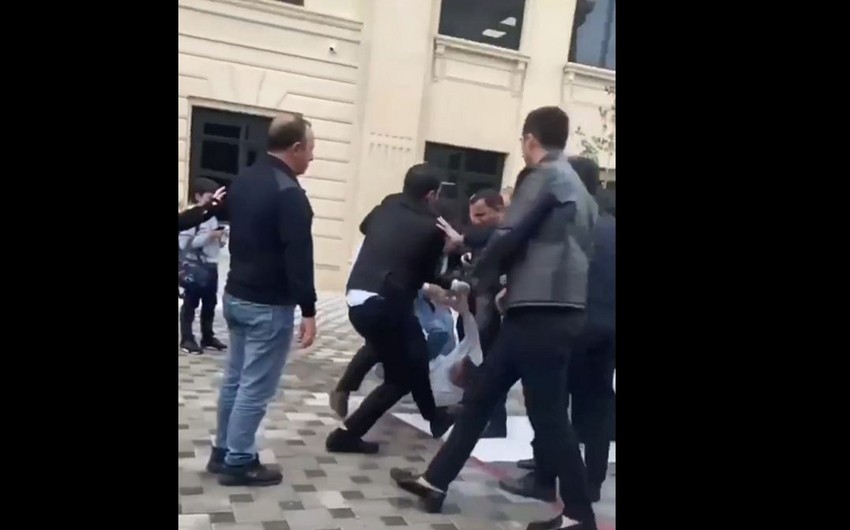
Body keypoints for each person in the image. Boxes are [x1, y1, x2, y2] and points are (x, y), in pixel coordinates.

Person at [390, 106, 599, 530]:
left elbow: (509, 235)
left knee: (549, 417)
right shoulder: (581, 190)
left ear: (530, 139)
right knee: (482, 397)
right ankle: (435, 482)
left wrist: (475, 279)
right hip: (546, 311)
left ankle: (581, 516)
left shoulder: (544, 176)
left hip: (540, 314)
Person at [205, 114, 318, 487]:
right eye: (311, 149)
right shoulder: (289, 193)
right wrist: (309, 309)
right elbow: (298, 256)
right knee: (255, 386)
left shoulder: (244, 179)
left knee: (235, 379)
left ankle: (223, 450)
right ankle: (239, 460)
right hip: (268, 304)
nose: (312, 157)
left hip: (236, 294)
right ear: (296, 147)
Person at [500, 156, 616, 505]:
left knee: (549, 402)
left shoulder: (566, 223)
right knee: (597, 406)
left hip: (569, 324)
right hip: (608, 329)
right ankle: (592, 483)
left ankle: (544, 478)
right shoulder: (611, 225)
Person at [324, 163, 458, 454]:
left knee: (415, 352)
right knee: (400, 378)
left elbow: (365, 227)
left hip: (358, 297)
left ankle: (434, 418)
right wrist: (449, 250)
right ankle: (346, 436)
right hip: (386, 304)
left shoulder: (387, 204)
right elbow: (428, 275)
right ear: (431, 194)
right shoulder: (432, 227)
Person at [179, 178, 228, 354]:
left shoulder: (211, 217)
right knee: (190, 304)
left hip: (210, 266)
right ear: (198, 196)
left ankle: (208, 336)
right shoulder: (191, 217)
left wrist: (220, 238)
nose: (213, 202)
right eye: (210, 198)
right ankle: (187, 339)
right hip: (194, 266)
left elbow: (217, 244)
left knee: (209, 303)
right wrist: (209, 236)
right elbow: (185, 244)